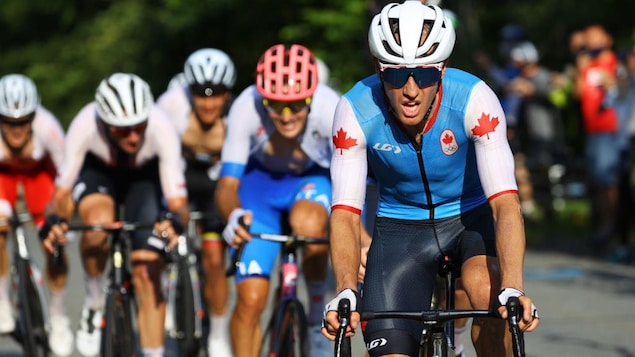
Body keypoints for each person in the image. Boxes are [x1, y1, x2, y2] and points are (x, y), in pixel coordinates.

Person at [321, 2, 540, 357]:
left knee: (491, 293)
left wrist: (513, 287)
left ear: (442, 70)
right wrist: (345, 288)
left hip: (469, 216)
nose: (410, 90)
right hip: (400, 227)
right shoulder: (355, 109)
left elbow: (505, 204)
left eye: (423, 75)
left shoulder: (474, 99)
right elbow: (344, 212)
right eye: (395, 75)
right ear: (378, 70)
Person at [41, 72, 189, 357]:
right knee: (97, 225)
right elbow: (61, 194)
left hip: (144, 180)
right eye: (122, 131)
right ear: (106, 124)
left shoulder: (161, 126)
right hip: (100, 174)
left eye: (139, 127)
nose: (133, 137)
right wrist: (54, 222)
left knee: (148, 270)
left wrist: (173, 221)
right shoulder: (85, 123)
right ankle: (94, 303)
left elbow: (178, 201)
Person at [215, 43, 339, 357]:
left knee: (309, 222)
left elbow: (350, 181)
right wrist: (232, 216)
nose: (286, 116)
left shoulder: (330, 108)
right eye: (275, 105)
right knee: (251, 300)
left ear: (311, 97)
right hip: (260, 191)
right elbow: (227, 184)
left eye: (297, 105)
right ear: (262, 98)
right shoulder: (245, 106)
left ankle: (315, 318)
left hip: (310, 184)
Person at [156, 47, 236, 356]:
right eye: (200, 93)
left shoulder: (236, 113)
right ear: (188, 91)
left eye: (216, 93)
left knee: (215, 259)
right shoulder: (171, 106)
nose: (208, 101)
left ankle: (217, 333)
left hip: (216, 179)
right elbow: (160, 158)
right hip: (181, 173)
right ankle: (168, 284)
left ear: (227, 94)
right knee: (166, 235)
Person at [0, 73, 74, 356]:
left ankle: (57, 315)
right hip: (3, 178)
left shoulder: (48, 128)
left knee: (55, 241)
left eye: (24, 121)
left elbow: (67, 174)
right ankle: (2, 298)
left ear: (35, 116)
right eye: (9, 122)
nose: (17, 129)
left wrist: (60, 216)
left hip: (40, 177)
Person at [576, 24, 621, 249]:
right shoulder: (588, 65)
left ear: (607, 39)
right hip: (592, 130)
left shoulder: (615, 63)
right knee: (599, 183)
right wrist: (579, 68)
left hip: (610, 129)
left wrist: (612, 80)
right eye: (589, 38)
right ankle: (604, 228)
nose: (592, 42)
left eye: (596, 38)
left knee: (608, 181)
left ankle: (611, 229)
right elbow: (578, 93)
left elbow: (621, 90)